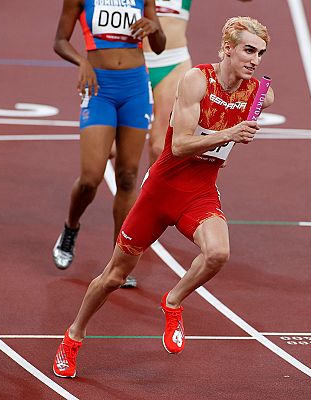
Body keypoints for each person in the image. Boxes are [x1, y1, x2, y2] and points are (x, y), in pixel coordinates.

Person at [52, 16, 274, 378]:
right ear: (228, 48)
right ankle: (73, 336)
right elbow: (183, 144)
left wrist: (235, 127)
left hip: (200, 193)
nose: (255, 59)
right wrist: (230, 132)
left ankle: (172, 301)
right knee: (112, 276)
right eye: (249, 50)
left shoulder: (259, 94)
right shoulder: (196, 80)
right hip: (161, 192)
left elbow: (253, 109)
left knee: (218, 253)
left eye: (261, 53)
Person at [52, 0, 166, 289]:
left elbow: (160, 44)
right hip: (99, 87)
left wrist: (154, 28)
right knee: (91, 178)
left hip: (135, 87)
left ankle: (120, 263)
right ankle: (71, 227)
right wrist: (82, 62)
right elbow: (60, 41)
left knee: (128, 177)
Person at [144, 0, 253, 166]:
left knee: (159, 147)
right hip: (130, 64)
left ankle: (155, 190)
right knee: (111, 150)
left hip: (172, 64)